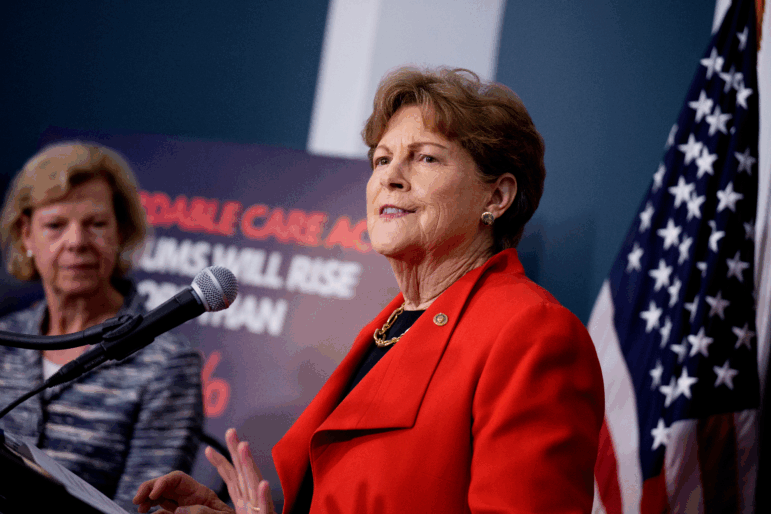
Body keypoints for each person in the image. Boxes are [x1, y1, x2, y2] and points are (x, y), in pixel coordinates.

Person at [134, 67, 604, 514]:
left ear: (496, 197)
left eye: (425, 157)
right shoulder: (391, 325)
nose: (390, 177)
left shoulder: (531, 333)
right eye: (382, 159)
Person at [0, 142, 204, 512]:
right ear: (26, 234)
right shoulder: (5, 338)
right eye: (55, 225)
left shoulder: (167, 363)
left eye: (96, 224)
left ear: (121, 234)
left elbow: (143, 508)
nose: (76, 242)